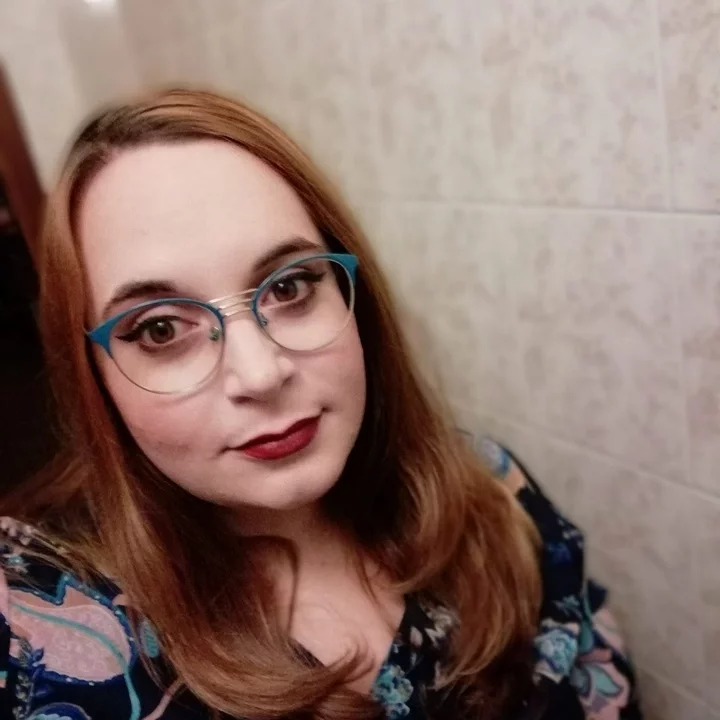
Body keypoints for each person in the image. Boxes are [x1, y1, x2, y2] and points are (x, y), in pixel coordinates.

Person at [0, 89, 641, 720]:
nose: (262, 374)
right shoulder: (52, 633)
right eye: (161, 329)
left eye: (290, 286)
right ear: (93, 376)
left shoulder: (493, 493)